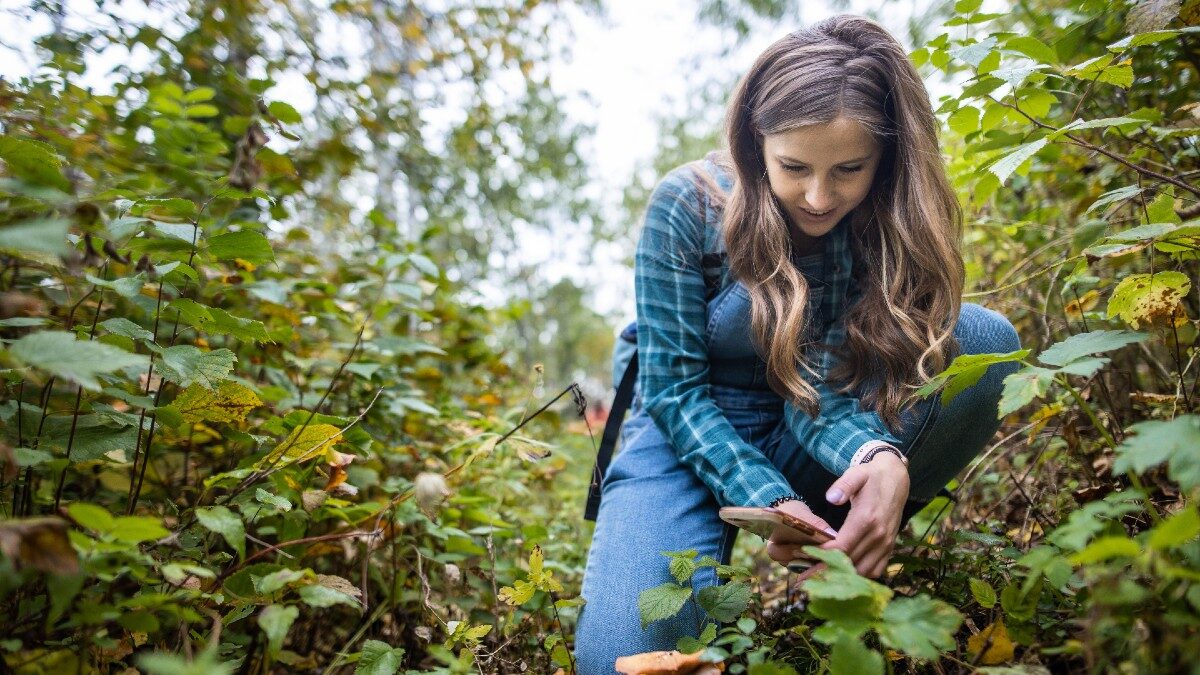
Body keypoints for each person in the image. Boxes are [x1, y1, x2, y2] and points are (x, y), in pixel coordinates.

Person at [573, 14, 1021, 673]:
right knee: (621, 656)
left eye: (848, 168)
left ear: (885, 156)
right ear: (756, 142)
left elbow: (827, 389)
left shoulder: (877, 220)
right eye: (793, 167)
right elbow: (672, 389)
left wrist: (878, 453)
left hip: (812, 407)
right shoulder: (686, 203)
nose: (818, 195)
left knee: (984, 341)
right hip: (683, 424)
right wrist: (767, 494)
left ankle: (846, 557)